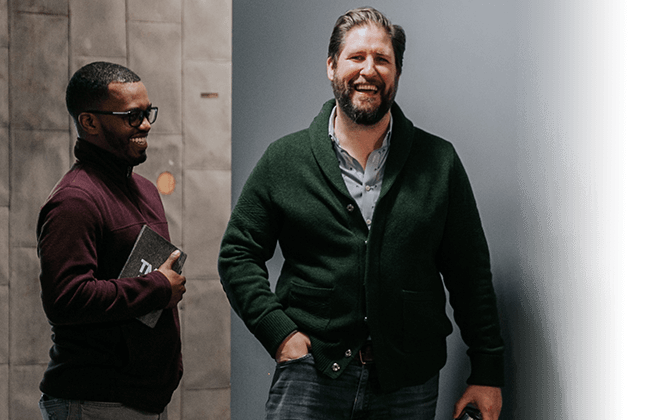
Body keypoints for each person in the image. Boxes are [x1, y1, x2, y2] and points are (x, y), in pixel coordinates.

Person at [219, 7, 503, 420]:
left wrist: (487, 372)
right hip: (310, 377)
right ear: (332, 66)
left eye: (382, 59)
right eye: (356, 57)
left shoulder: (438, 162)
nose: (368, 70)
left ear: (397, 73)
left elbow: (470, 273)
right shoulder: (284, 160)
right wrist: (281, 336)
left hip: (407, 383)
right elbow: (237, 254)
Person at [36, 61, 186, 420]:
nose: (146, 124)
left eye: (147, 112)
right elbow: (66, 299)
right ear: (90, 122)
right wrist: (157, 288)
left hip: (143, 401)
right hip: (95, 403)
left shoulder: (146, 191)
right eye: (132, 116)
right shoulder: (74, 200)